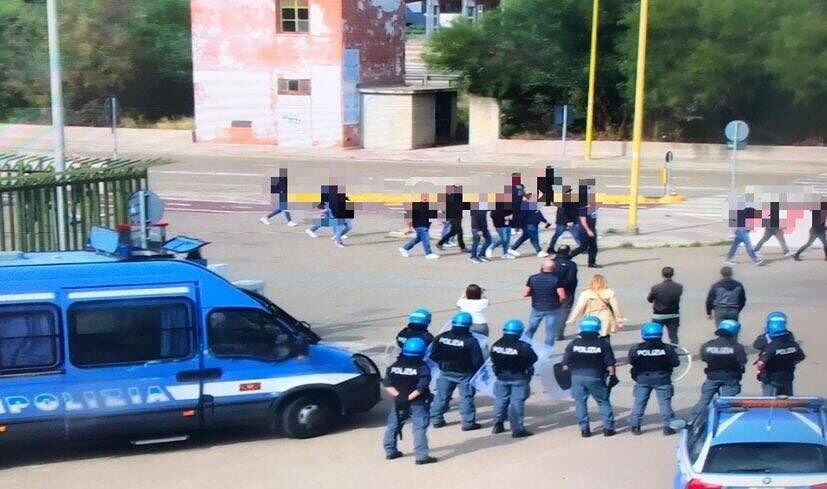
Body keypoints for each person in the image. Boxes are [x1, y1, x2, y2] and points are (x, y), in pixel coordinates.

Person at [382, 337, 437, 465]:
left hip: (398, 402)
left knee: (393, 425)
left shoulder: (394, 366)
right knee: (419, 429)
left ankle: (390, 451)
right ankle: (422, 457)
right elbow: (421, 388)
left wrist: (400, 397)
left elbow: (387, 384)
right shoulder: (422, 367)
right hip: (418, 403)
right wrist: (408, 398)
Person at [562, 316, 616, 438]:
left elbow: (564, 365)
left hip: (576, 377)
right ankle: (608, 429)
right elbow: (610, 364)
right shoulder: (603, 343)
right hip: (595, 376)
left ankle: (584, 430)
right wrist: (612, 376)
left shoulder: (574, 343)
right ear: (598, 328)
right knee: (603, 401)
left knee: (580, 402)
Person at [429, 312, 485, 431]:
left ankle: (436, 420)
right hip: (465, 374)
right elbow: (477, 361)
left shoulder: (441, 337)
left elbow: (433, 355)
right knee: (466, 398)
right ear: (469, 325)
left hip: (445, 372)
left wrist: (442, 364)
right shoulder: (471, 340)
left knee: (441, 396)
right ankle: (468, 423)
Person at [628, 322, 680, 436]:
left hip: (642, 379)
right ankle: (668, 427)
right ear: (660, 334)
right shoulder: (668, 348)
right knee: (665, 404)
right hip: (662, 379)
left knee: (639, 402)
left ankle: (635, 426)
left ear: (643, 334)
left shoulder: (636, 348)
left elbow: (631, 361)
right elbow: (676, 363)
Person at [490, 319, 537, 438]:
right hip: (519, 377)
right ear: (520, 332)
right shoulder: (523, 346)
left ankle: (497, 424)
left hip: (501, 376)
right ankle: (517, 429)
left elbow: (493, 359)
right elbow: (533, 358)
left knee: (500, 400)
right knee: (517, 403)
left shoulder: (496, 345)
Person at [691, 319, 747, 417]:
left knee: (704, 401)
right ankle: (723, 421)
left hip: (712, 377)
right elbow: (743, 361)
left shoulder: (707, 345)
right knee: (726, 403)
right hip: (731, 378)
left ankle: (693, 421)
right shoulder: (737, 347)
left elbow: (704, 358)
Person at [756, 313, 805, 396]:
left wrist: (759, 370)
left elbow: (760, 362)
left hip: (771, 378)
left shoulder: (771, 347)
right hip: (787, 376)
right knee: (787, 403)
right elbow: (801, 357)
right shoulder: (793, 344)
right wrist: (791, 362)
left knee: (768, 402)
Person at [566, 274, 624, 343]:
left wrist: (573, 319)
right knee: (604, 335)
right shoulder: (609, 292)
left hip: (590, 317)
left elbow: (579, 307)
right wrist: (619, 318)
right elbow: (615, 307)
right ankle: (605, 350)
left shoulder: (586, 293)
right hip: (605, 317)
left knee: (589, 335)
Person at [522, 259, 567, 347]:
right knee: (550, 332)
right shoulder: (557, 279)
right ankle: (547, 352)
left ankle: (525, 346)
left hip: (537, 307)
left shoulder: (533, 278)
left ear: (542, 267)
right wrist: (559, 303)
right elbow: (562, 295)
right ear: (554, 268)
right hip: (552, 308)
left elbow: (525, 293)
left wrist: (534, 294)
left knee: (531, 329)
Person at [647, 266, 684, 344]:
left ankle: (658, 351)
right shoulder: (679, 287)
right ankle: (674, 352)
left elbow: (649, 299)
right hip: (673, 315)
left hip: (658, 315)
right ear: (673, 274)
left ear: (662, 275)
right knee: (673, 337)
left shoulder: (656, 288)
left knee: (656, 335)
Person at [399, 194, 440, 259]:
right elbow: (408, 216)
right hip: (419, 225)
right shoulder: (415, 204)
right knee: (426, 238)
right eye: (424, 196)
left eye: (427, 196)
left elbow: (434, 215)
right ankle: (428, 253)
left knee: (419, 238)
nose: (426, 197)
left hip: (425, 225)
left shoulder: (431, 205)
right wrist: (408, 227)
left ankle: (404, 248)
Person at [509, 193, 549, 257]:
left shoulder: (534, 206)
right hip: (529, 225)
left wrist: (546, 222)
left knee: (524, 237)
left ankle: (512, 248)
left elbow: (539, 215)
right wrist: (518, 226)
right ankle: (539, 251)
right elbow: (520, 217)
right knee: (534, 238)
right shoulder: (525, 206)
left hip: (533, 225)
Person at [570, 183, 600, 268]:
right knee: (583, 247)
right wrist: (588, 230)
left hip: (592, 230)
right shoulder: (583, 208)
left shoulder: (592, 208)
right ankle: (567, 257)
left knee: (594, 248)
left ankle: (591, 263)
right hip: (585, 232)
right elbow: (583, 221)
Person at [553, 245, 578, 341]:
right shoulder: (571, 264)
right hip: (567, 292)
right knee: (564, 312)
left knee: (553, 312)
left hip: (552, 290)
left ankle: (551, 331)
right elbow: (571, 279)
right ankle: (558, 333)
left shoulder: (551, 262)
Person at [546, 187, 580, 254]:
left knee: (575, 235)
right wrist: (568, 223)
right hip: (565, 222)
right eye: (568, 192)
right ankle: (582, 247)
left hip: (564, 221)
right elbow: (564, 212)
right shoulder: (564, 202)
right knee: (576, 235)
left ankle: (550, 248)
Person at [436, 185, 467, 252]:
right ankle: (462, 248)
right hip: (454, 216)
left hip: (456, 216)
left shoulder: (457, 196)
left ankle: (440, 243)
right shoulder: (452, 196)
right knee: (459, 231)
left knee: (454, 231)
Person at [487, 191, 515, 259]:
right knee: (504, 239)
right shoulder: (495, 205)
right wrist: (503, 217)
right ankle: (491, 248)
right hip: (499, 225)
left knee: (507, 240)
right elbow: (492, 215)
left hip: (508, 223)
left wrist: (510, 216)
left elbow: (513, 212)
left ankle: (505, 254)